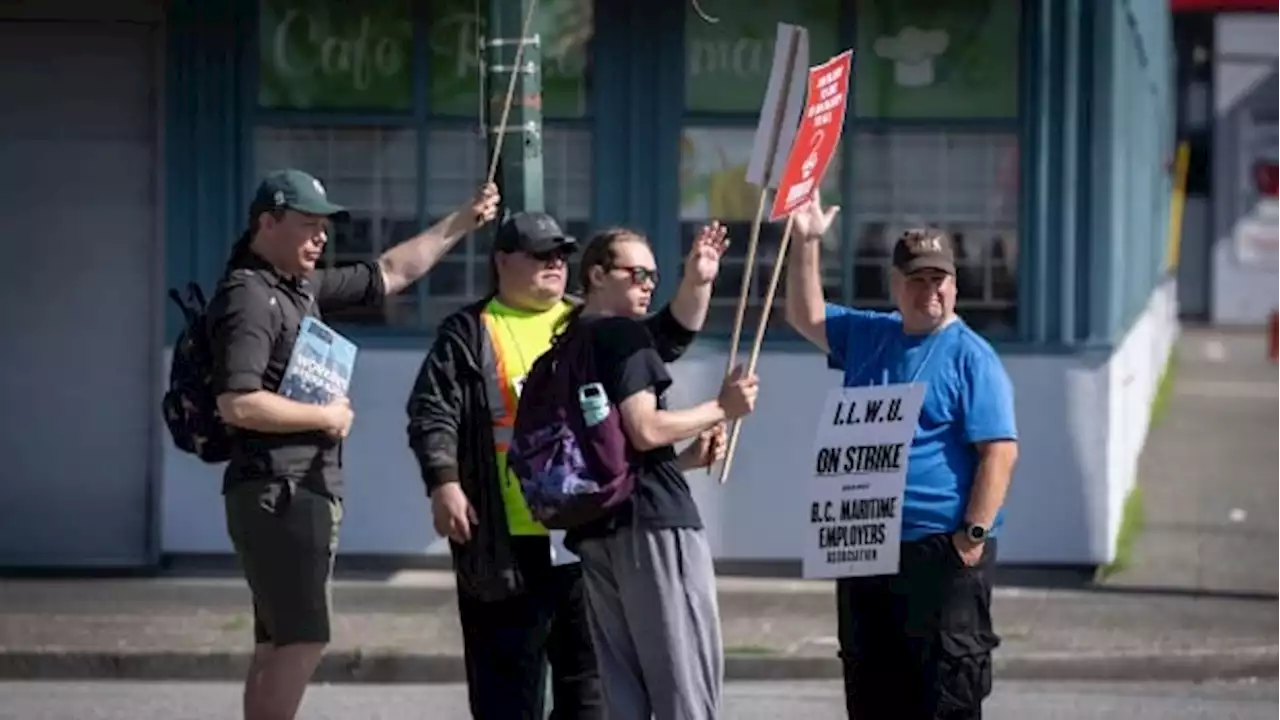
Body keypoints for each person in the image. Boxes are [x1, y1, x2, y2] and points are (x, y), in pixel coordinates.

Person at [405, 214, 729, 719]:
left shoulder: (588, 324)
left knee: (592, 689)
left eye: (560, 254)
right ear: (502, 261)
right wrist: (444, 481)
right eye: (540, 255)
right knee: (508, 687)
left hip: (584, 531)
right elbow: (432, 411)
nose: (555, 264)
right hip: (507, 539)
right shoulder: (471, 331)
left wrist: (697, 282)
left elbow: (665, 338)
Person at [208, 168, 499, 720]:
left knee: (276, 642)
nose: (321, 237)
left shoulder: (296, 288)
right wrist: (327, 416)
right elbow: (237, 403)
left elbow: (390, 272)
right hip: (281, 491)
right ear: (267, 223)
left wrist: (463, 220)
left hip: (285, 490)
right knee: (304, 637)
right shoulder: (250, 298)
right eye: (308, 225)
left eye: (325, 227)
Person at [782, 194, 1020, 720]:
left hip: (940, 551)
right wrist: (807, 242)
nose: (929, 290)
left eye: (939, 279)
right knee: (871, 692)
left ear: (954, 285)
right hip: (865, 543)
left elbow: (999, 453)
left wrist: (971, 537)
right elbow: (804, 314)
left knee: (945, 697)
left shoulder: (972, 357)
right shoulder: (870, 335)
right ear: (895, 285)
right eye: (916, 279)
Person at [551, 228, 759, 720]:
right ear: (598, 275)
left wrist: (684, 458)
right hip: (655, 530)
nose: (648, 285)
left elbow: (619, 447)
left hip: (598, 530)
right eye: (637, 274)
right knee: (685, 689)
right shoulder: (622, 336)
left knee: (626, 693)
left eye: (654, 276)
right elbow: (644, 430)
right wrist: (719, 407)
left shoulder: (571, 342)